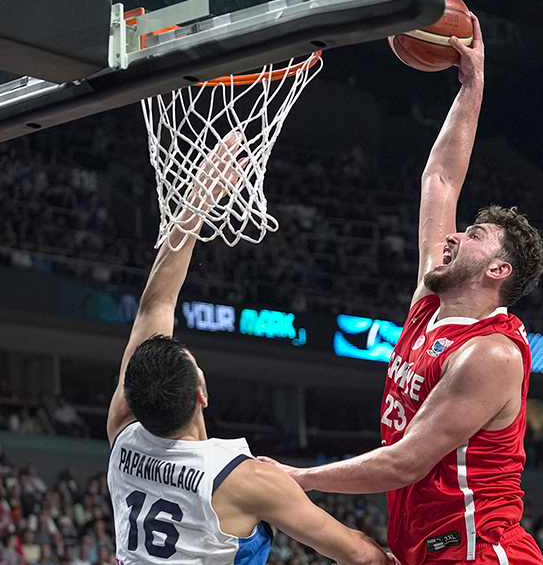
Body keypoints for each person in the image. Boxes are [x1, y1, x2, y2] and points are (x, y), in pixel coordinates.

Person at [262, 14, 543, 565]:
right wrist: (472, 85)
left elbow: (404, 462)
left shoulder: (490, 354)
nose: (455, 235)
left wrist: (298, 478)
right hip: (427, 548)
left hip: (479, 553)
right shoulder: (429, 304)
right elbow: (440, 180)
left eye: (474, 235)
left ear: (497, 271)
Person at [105, 133, 395, 565]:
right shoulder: (243, 480)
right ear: (201, 394)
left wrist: (195, 205)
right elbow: (362, 556)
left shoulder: (124, 434)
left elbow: (156, 306)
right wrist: (198, 202)